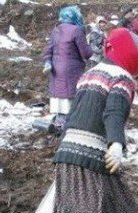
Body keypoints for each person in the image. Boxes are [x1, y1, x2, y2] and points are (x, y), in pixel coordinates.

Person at [43, 28, 138, 213]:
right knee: (125, 211)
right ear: (130, 54)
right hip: (93, 155)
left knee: (69, 211)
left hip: (67, 151)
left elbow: (73, 113)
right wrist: (116, 144)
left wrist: (64, 146)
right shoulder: (121, 78)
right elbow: (113, 112)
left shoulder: (89, 74)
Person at [43, 5, 92, 134]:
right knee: (70, 97)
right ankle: (69, 126)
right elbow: (86, 54)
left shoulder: (56, 30)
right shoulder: (77, 30)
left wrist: (48, 61)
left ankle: (59, 123)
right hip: (71, 69)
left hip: (56, 68)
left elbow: (48, 49)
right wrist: (90, 46)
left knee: (60, 97)